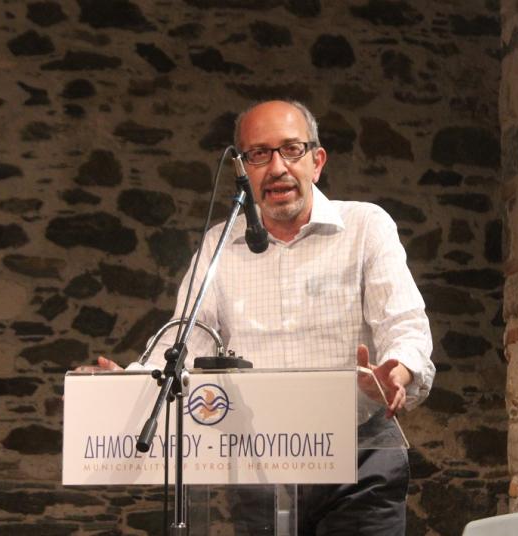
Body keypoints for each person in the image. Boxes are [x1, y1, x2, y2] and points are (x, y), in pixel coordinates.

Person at [88, 100, 434, 535]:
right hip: (260, 460)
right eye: (258, 154)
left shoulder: (365, 226)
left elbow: (404, 323)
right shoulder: (220, 244)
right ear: (242, 169)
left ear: (316, 161)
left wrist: (397, 370)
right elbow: (183, 343)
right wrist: (127, 385)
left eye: (291, 150)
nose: (276, 168)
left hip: (359, 452)